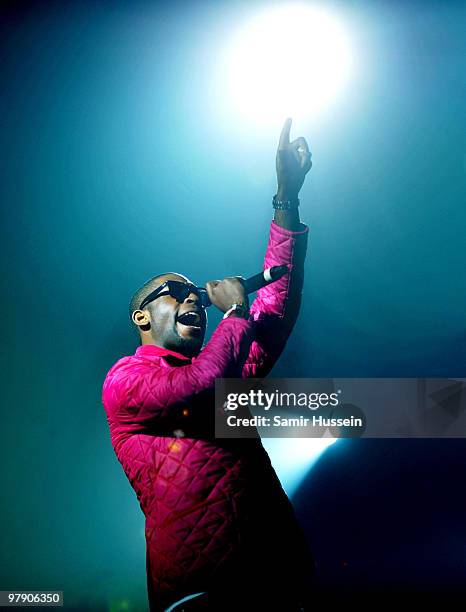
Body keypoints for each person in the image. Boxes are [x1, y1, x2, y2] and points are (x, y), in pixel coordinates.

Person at [102, 118, 314, 611]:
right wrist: (235, 312)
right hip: (201, 594)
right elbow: (199, 384)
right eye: (174, 294)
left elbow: (274, 313)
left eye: (196, 294)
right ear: (141, 316)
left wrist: (286, 200)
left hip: (275, 579)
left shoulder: (226, 363)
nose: (192, 299)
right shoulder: (125, 380)